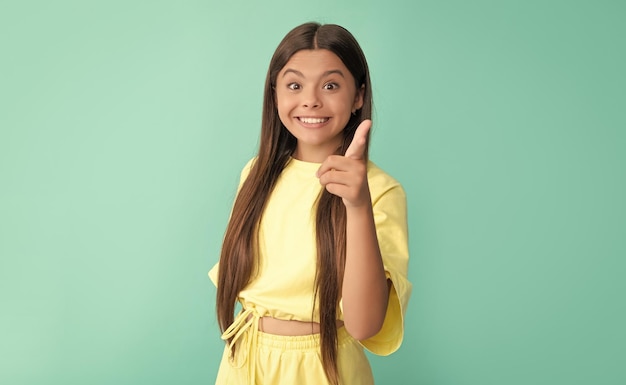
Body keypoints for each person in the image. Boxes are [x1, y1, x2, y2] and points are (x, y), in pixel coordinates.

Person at [208, 22, 411, 385]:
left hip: (326, 367)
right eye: (294, 84)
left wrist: (358, 205)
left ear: (359, 96)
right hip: (244, 363)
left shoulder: (379, 191)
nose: (311, 100)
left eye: (330, 85)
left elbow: (365, 325)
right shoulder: (255, 175)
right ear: (275, 95)